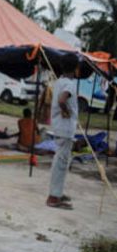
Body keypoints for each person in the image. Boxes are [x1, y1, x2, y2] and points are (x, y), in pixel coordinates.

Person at [47, 58, 79, 209]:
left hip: (60, 127)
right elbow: (61, 100)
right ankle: (53, 197)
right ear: (76, 69)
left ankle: (57, 193)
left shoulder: (60, 81)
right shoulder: (69, 84)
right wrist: (65, 110)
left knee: (60, 161)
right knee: (61, 163)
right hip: (65, 128)